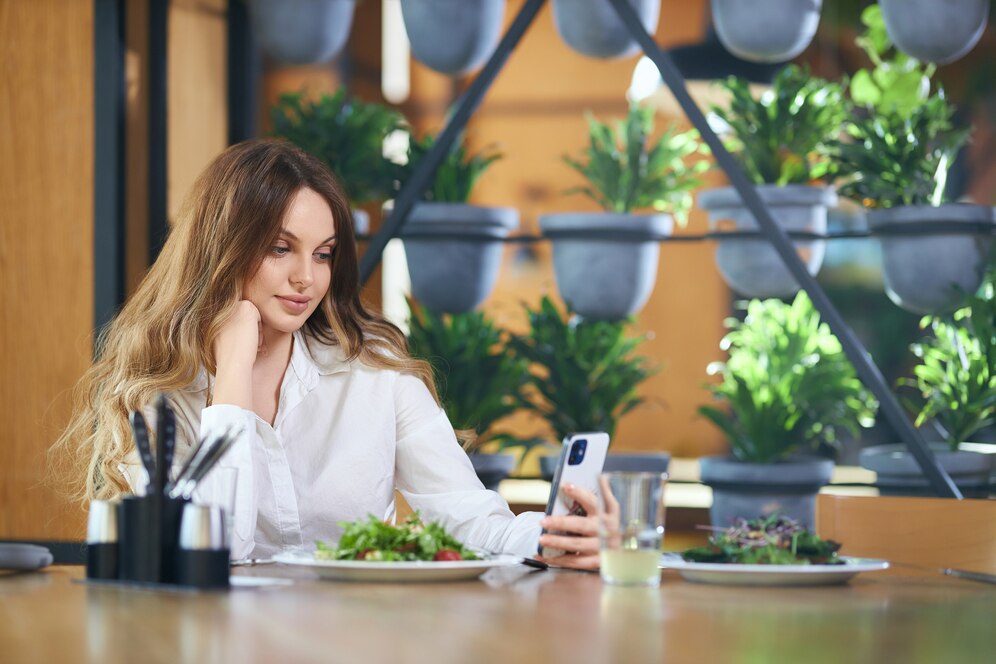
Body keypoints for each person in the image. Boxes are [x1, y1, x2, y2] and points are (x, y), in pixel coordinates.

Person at [54, 138, 601, 569]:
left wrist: (555, 537)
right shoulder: (162, 390)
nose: (306, 279)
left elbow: (468, 517)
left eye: (323, 254)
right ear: (223, 249)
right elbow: (215, 551)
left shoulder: (374, 371)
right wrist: (232, 378)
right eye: (279, 248)